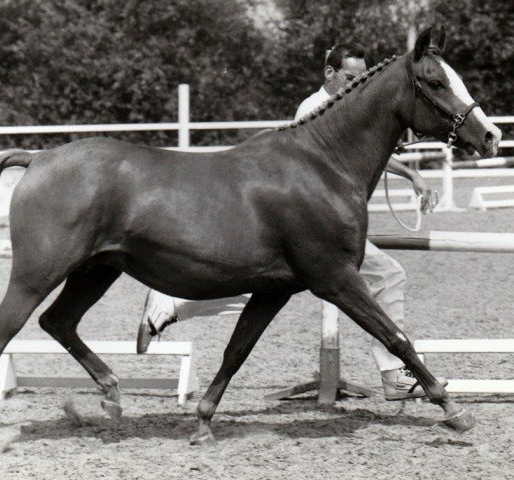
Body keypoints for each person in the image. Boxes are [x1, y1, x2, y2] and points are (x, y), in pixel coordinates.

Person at [136, 42, 445, 400]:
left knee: (267, 286)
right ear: (329, 74)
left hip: (321, 229)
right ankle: (395, 373)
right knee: (385, 274)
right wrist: (411, 173)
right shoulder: (317, 108)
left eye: (362, 79)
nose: (357, 85)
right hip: (311, 228)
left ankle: (172, 305)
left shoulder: (347, 106)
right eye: (350, 78)